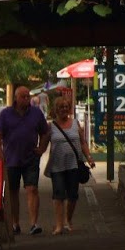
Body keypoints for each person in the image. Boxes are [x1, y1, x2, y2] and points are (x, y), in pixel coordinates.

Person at [0, 85, 49, 235]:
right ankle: (15, 223)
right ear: (16, 98)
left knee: (32, 189)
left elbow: (45, 132)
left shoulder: (36, 113)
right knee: (13, 191)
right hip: (11, 158)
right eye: (23, 96)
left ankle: (33, 224)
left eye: (28, 96)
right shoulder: (6, 114)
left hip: (31, 158)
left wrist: (42, 148)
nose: (26, 99)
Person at [44, 93, 94, 235]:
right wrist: (35, 153)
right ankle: (59, 225)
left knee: (72, 195)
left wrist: (89, 158)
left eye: (66, 107)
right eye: (61, 107)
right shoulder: (51, 126)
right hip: (57, 165)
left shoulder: (76, 124)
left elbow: (83, 143)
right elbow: (43, 144)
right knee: (58, 194)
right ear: (56, 109)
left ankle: (68, 220)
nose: (64, 109)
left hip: (74, 165)